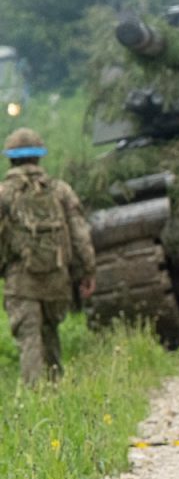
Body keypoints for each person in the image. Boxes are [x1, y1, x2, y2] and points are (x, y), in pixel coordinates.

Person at [0, 129, 96, 385]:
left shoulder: (3, 193)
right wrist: (87, 271)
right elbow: (80, 234)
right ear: (39, 157)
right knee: (50, 333)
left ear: (10, 158)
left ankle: (35, 397)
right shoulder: (60, 190)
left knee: (29, 339)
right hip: (57, 278)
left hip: (21, 280)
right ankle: (56, 391)